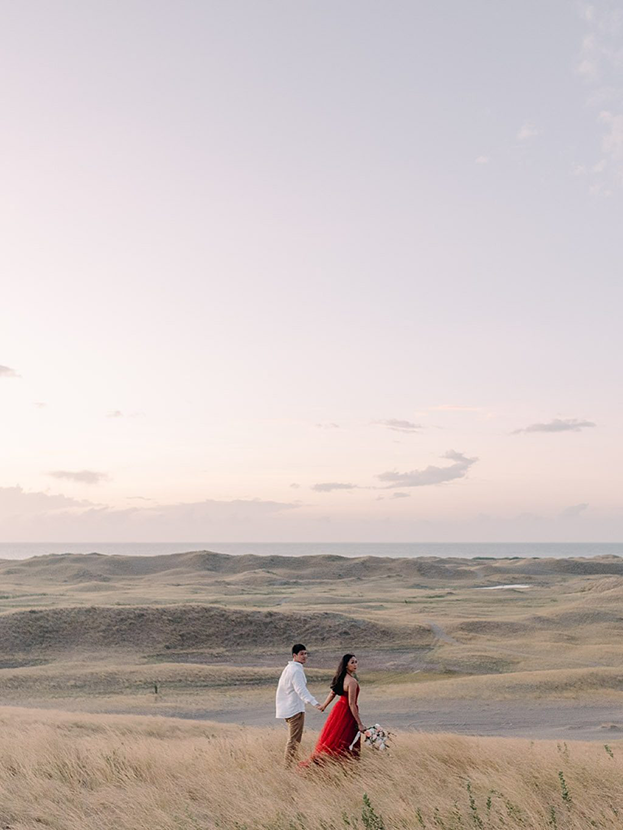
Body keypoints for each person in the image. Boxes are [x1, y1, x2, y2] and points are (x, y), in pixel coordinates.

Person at [301, 653, 365, 766]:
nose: (355, 665)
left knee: (334, 737)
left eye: (356, 662)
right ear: (346, 665)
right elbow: (351, 703)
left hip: (338, 710)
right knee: (346, 738)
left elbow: (332, 693)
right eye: (352, 662)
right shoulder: (352, 682)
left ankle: (328, 762)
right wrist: (359, 723)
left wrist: (323, 706)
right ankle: (345, 764)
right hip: (347, 712)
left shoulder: (340, 678)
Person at [275, 643, 322, 766]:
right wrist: (315, 703)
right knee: (294, 740)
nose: (305, 656)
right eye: (302, 654)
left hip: (289, 708)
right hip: (294, 709)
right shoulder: (295, 670)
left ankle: (290, 764)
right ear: (294, 655)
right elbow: (301, 690)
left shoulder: (290, 668)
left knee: (294, 739)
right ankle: (288, 766)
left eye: (306, 654)